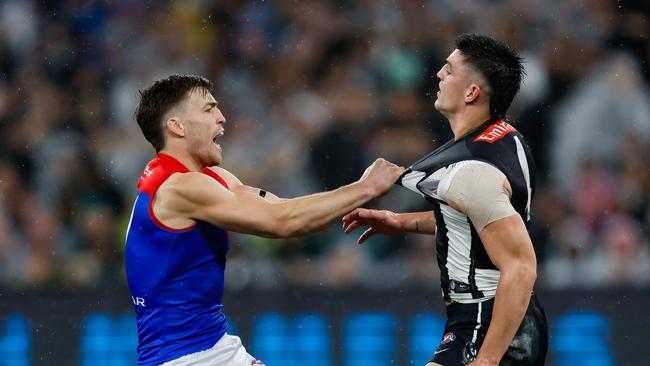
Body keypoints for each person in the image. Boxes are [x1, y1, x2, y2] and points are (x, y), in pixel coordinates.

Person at [124, 74, 404, 366]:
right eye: (208, 110)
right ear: (177, 126)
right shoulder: (180, 187)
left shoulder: (207, 177)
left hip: (214, 347)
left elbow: (281, 206)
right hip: (187, 359)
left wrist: (355, 195)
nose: (221, 118)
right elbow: (281, 222)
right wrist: (365, 188)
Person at [342, 34, 548, 365]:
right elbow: (476, 224)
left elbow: (521, 267)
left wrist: (487, 360)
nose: (439, 74)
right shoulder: (507, 140)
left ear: (472, 92)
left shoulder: (472, 172)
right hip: (504, 319)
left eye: (449, 70)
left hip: (487, 321)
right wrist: (402, 221)